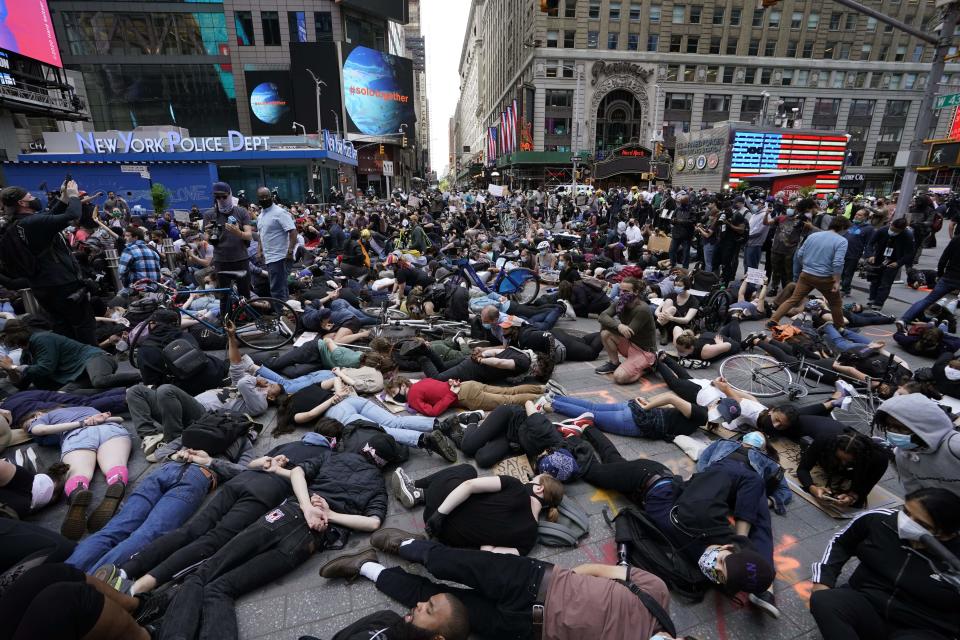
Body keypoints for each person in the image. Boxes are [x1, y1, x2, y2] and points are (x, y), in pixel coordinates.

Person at [319, 531, 678, 640]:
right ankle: (408, 546)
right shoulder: (655, 594)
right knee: (449, 562)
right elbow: (591, 570)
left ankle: (364, 566)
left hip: (522, 628)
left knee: (433, 606)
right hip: (534, 580)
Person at [64, 426, 257, 575]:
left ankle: (62, 575)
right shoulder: (242, 440)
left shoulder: (196, 430)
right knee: (148, 534)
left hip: (164, 471)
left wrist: (177, 455)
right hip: (198, 476)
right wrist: (208, 461)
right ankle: (92, 583)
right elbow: (244, 472)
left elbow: (157, 454)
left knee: (114, 529)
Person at [810, 488, 960, 640]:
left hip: (923, 627)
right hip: (868, 603)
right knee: (824, 600)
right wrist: (823, 580)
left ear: (946, 534)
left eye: (921, 524)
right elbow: (841, 543)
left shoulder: (955, 561)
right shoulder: (879, 521)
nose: (906, 523)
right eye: (906, 512)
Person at [126, 321, 280, 448]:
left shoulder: (260, 404)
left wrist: (255, 379)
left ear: (272, 397)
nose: (267, 383)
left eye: (271, 386)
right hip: (178, 409)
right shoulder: (244, 386)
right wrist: (232, 337)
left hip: (201, 415)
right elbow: (236, 363)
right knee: (135, 391)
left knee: (166, 390)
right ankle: (150, 436)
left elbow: (243, 384)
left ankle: (174, 440)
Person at [390, 463, 563, 555]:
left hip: (440, 510)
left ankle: (415, 488)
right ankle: (419, 493)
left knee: (468, 470)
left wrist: (440, 514)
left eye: (533, 479)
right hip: (445, 534)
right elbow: (489, 553)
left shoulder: (516, 486)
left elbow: (469, 485)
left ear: (539, 488)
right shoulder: (530, 537)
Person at [0, 182, 97, 344]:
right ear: (22, 203)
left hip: (42, 286)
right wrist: (73, 195)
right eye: (29, 197)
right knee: (84, 326)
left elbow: (49, 218)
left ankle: (73, 363)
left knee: (63, 328)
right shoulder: (32, 223)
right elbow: (72, 215)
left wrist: (64, 199)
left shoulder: (17, 224)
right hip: (63, 284)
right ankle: (93, 363)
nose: (33, 198)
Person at [23, 407, 131, 541]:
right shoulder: (87, 408)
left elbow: (40, 430)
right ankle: (117, 481)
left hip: (77, 435)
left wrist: (82, 423)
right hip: (111, 429)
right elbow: (120, 419)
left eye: (30, 423)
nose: (29, 428)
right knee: (115, 464)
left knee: (79, 473)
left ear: (37, 415)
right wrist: (95, 419)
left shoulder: (43, 417)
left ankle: (78, 490)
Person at [0, 319, 141, 391]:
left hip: (94, 358)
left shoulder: (41, 339)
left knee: (99, 380)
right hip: (78, 374)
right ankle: (123, 392)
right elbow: (23, 384)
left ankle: (145, 375)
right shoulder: (27, 353)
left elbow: (46, 368)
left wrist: (14, 366)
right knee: (66, 394)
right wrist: (10, 370)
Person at [769, 215, 850, 328]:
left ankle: (773, 320)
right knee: (835, 304)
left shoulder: (813, 236)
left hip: (806, 274)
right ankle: (840, 327)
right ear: (842, 228)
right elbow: (838, 263)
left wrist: (807, 266)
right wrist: (837, 281)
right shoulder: (842, 241)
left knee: (793, 299)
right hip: (825, 277)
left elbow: (800, 254)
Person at [875, 393, 960, 496]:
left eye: (900, 428)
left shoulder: (954, 445)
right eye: (888, 427)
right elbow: (915, 494)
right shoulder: (903, 456)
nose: (893, 432)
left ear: (923, 425)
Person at [796, 428, 889, 508]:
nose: (843, 464)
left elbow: (864, 490)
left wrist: (852, 497)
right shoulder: (825, 439)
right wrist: (812, 489)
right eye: (839, 458)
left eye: (849, 461)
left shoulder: (879, 459)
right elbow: (802, 469)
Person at [203, 181, 254, 319]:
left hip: (240, 258)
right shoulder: (209, 214)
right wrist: (206, 233)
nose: (221, 200)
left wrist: (239, 233)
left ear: (230, 195)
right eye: (217, 197)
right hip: (221, 260)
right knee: (224, 296)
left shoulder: (241, 211)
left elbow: (249, 235)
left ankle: (249, 321)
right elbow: (206, 240)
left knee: (245, 294)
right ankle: (227, 324)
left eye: (224, 197)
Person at [595, 277, 657, 383]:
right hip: (630, 345)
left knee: (619, 377)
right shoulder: (621, 302)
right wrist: (619, 326)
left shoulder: (642, 309)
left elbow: (628, 333)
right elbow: (602, 316)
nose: (622, 293)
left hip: (644, 352)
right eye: (620, 290)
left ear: (636, 292)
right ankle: (614, 363)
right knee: (605, 333)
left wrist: (612, 325)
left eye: (626, 291)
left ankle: (647, 369)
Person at [900, 231, 960, 325]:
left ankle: (904, 319)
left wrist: (940, 274)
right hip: (951, 276)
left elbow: (944, 258)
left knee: (928, 300)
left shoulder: (956, 239)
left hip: (949, 276)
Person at [254, 186, 297, 302]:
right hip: (269, 257)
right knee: (281, 288)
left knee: (276, 290)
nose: (264, 199)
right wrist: (259, 250)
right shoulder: (261, 215)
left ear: (271, 197)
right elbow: (261, 235)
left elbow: (293, 231)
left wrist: (290, 251)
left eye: (266, 196)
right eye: (261, 197)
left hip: (280, 256)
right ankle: (288, 314)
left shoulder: (280, 212)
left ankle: (281, 315)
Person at [866, 217, 912, 311]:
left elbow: (910, 253)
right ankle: (871, 300)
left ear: (901, 230)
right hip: (878, 259)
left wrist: (899, 263)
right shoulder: (882, 230)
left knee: (885, 284)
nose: (892, 231)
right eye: (892, 228)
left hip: (893, 262)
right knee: (874, 281)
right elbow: (870, 244)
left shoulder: (907, 235)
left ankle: (878, 304)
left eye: (896, 231)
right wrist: (871, 255)